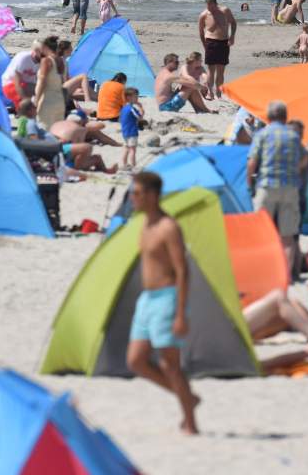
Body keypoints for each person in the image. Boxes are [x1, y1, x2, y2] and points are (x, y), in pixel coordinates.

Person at [124, 172, 200, 435]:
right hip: (147, 300)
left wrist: (181, 313)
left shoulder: (169, 227)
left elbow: (183, 271)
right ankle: (188, 398)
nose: (132, 198)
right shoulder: (145, 224)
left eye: (137, 193)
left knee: (170, 365)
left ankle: (190, 422)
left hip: (167, 299)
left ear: (152, 195)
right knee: (136, 361)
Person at [247, 101, 308, 275]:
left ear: (269, 116)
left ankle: (261, 271)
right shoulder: (293, 136)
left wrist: (248, 184)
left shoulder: (262, 134)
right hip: (290, 188)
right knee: (287, 237)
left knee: (260, 232)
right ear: (285, 117)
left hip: (267, 185)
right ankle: (286, 276)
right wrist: (294, 170)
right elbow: (304, 159)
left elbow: (252, 163)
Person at [197, 0, 236, 99]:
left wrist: (232, 37)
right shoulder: (204, 15)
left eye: (211, 6)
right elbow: (201, 32)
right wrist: (205, 45)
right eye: (207, 6)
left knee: (221, 70)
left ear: (215, 3)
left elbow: (233, 23)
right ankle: (210, 91)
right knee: (211, 69)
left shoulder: (225, 11)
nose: (209, 8)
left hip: (224, 42)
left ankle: (219, 93)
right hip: (210, 42)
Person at [120, 87, 142, 170]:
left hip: (125, 132)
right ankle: (133, 166)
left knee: (126, 149)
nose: (137, 98)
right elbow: (140, 117)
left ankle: (125, 164)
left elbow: (121, 119)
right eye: (136, 97)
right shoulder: (131, 108)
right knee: (133, 150)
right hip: (132, 132)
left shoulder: (123, 108)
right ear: (129, 97)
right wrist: (141, 108)